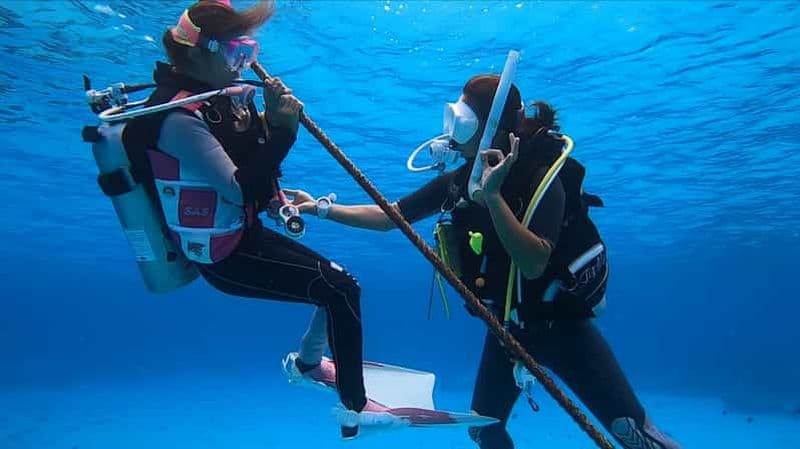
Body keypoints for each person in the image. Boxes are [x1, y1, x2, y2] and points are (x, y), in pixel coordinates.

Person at [283, 74, 683, 449]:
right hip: (507, 328)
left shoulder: (543, 177)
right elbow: (392, 217)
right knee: (482, 427)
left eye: (463, 121)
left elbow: (533, 263)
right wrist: (320, 208)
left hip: (562, 328)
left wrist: (492, 198)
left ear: (491, 127)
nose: (454, 135)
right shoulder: (461, 180)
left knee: (631, 433)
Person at [120, 0, 383, 437]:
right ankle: (355, 410)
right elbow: (241, 188)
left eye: (249, 53)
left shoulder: (214, 101)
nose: (243, 65)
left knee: (339, 287)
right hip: (225, 257)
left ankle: (309, 365)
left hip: (242, 234)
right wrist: (283, 131)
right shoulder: (176, 120)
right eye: (235, 54)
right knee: (340, 290)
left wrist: (267, 128)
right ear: (202, 51)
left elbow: (253, 173)